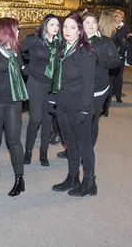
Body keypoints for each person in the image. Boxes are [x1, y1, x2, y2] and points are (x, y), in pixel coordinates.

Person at [50, 12, 97, 196]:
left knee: (84, 145)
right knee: (69, 143)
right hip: (63, 105)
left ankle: (89, 182)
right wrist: (52, 98)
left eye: (72, 27)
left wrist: (85, 110)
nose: (67, 31)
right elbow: (56, 76)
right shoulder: (63, 49)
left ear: (80, 30)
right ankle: (72, 177)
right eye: (65, 27)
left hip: (79, 107)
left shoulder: (86, 52)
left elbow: (88, 84)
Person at [0, 17, 27, 197]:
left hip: (13, 101)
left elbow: (22, 71)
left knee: (14, 141)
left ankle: (20, 179)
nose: (18, 32)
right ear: (7, 31)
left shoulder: (16, 51)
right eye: (16, 30)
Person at [20, 14, 60, 166]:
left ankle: (43, 153)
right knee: (35, 119)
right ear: (45, 26)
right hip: (35, 83)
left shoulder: (60, 44)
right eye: (52, 25)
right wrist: (24, 69)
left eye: (57, 25)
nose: (55, 28)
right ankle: (28, 151)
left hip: (52, 86)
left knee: (48, 119)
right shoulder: (34, 40)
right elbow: (16, 50)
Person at [82, 13, 121, 145]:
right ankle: (72, 149)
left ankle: (87, 151)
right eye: (87, 22)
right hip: (79, 87)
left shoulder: (105, 41)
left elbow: (115, 62)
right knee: (78, 119)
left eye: (93, 22)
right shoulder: (77, 41)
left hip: (98, 87)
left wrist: (97, 57)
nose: (91, 25)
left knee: (91, 118)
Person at [110, 9, 129, 103]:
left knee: (119, 76)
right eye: (118, 16)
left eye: (121, 17)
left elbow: (125, 40)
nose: (120, 19)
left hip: (121, 54)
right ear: (114, 17)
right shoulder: (110, 26)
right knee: (110, 75)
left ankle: (118, 95)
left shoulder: (125, 27)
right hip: (110, 54)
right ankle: (110, 93)